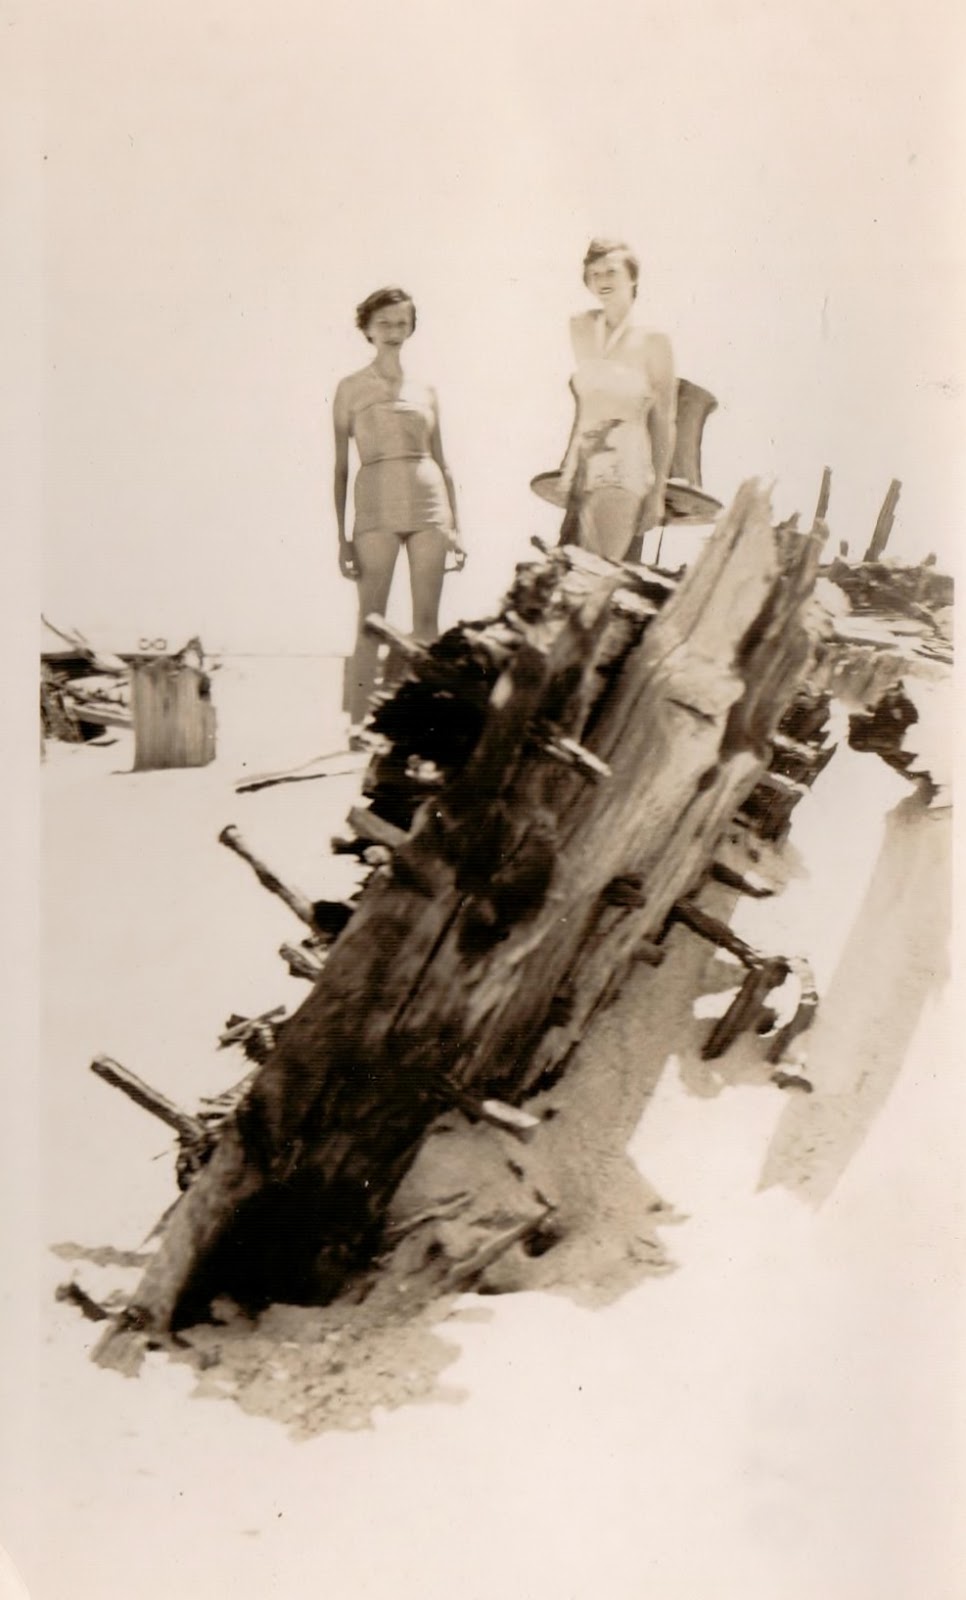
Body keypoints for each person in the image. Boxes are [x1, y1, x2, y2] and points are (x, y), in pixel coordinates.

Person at [333, 286, 464, 740]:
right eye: (384, 323)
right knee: (371, 619)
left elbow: (443, 461)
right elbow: (340, 467)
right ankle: (359, 724)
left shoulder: (426, 389)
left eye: (401, 323)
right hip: (375, 503)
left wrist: (458, 527)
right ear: (367, 329)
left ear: (411, 327)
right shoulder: (350, 388)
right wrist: (341, 538)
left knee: (427, 621)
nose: (393, 331)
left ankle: (423, 725)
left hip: (429, 502)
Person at [558, 239, 676, 560]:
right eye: (594, 274)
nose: (602, 280)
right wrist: (567, 462)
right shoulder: (580, 328)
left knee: (596, 570)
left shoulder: (654, 341)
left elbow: (663, 419)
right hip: (581, 468)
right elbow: (583, 405)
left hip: (623, 466)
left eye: (611, 272)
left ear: (632, 277)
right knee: (566, 572)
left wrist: (657, 492)